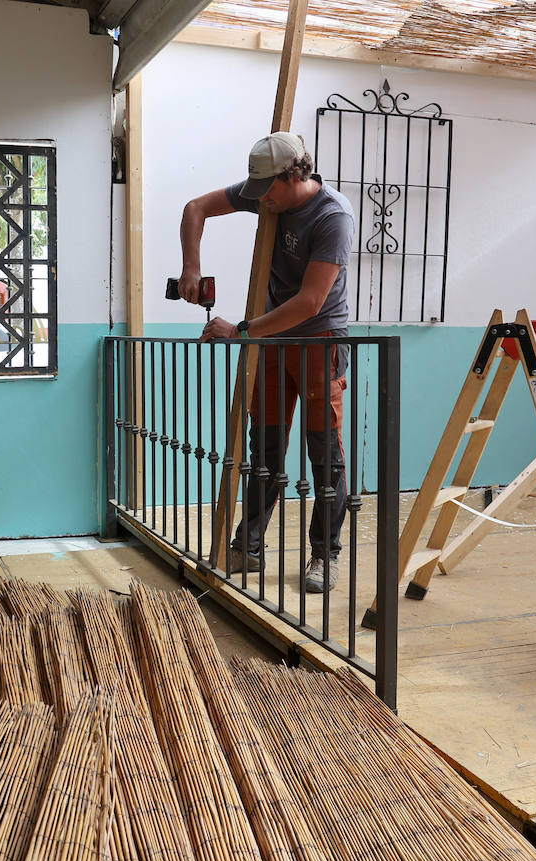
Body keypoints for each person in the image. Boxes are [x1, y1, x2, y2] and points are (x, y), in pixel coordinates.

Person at [177, 131, 354, 593]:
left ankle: (324, 555)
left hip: (318, 341)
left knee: (323, 453)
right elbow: (194, 209)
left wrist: (240, 331)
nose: (261, 200)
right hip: (272, 344)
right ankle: (248, 546)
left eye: (268, 190)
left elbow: (311, 301)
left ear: (295, 174)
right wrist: (190, 267)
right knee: (266, 448)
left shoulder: (331, 216)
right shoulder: (265, 194)